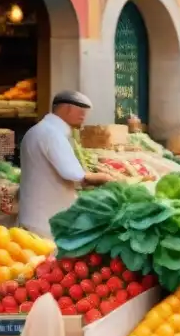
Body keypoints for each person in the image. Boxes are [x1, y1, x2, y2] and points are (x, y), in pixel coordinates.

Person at [19, 91, 115, 239]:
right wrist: (107, 178)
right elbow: (75, 175)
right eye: (80, 110)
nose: (84, 115)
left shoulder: (38, 130)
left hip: (35, 215)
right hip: (47, 221)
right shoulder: (52, 134)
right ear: (67, 109)